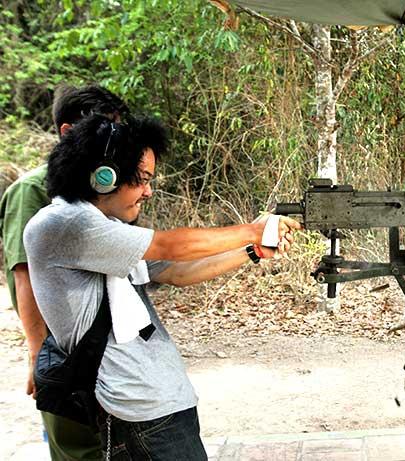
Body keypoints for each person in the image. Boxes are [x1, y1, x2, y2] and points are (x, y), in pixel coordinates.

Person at [23, 113, 300, 460]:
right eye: (140, 180)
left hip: (156, 402)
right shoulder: (65, 224)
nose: (148, 191)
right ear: (103, 177)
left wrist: (252, 250)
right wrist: (252, 230)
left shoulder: (102, 227)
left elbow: (174, 270)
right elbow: (170, 246)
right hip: (140, 410)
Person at [0, 84, 129, 460]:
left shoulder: (100, 188)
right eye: (105, 132)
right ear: (68, 133)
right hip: (63, 355)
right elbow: (23, 276)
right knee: (79, 450)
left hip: (103, 347)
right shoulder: (32, 191)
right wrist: (38, 356)